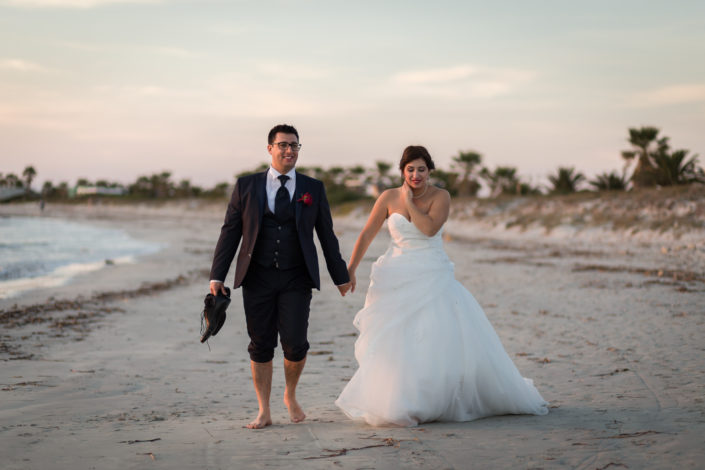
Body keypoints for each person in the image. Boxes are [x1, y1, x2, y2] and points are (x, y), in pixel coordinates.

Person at [335, 145, 549, 426]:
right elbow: (366, 234)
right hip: (395, 274)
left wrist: (410, 203)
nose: (415, 174)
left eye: (421, 169)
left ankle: (432, 397)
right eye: (410, 169)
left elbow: (428, 229)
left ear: (429, 170)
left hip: (431, 273)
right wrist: (350, 269)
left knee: (430, 336)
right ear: (402, 170)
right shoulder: (387, 197)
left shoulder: (441, 196)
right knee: (395, 338)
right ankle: (400, 397)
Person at [209, 124, 351, 429]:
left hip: (296, 277)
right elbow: (230, 231)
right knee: (260, 344)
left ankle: (290, 393)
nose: (289, 150)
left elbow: (326, 234)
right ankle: (263, 410)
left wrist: (340, 276)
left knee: (296, 343)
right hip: (257, 276)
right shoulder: (246, 186)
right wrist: (217, 275)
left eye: (295, 146)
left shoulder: (313, 188)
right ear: (270, 148)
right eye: (283, 145)